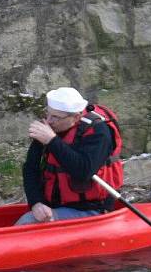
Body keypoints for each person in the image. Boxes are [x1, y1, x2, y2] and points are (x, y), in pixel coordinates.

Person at [15, 87, 123, 225]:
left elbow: (84, 171)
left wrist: (52, 141)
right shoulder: (52, 127)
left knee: (27, 222)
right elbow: (30, 168)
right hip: (55, 204)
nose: (48, 121)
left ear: (76, 117)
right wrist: (36, 202)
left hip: (91, 209)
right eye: (47, 114)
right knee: (31, 216)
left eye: (55, 117)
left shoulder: (99, 132)